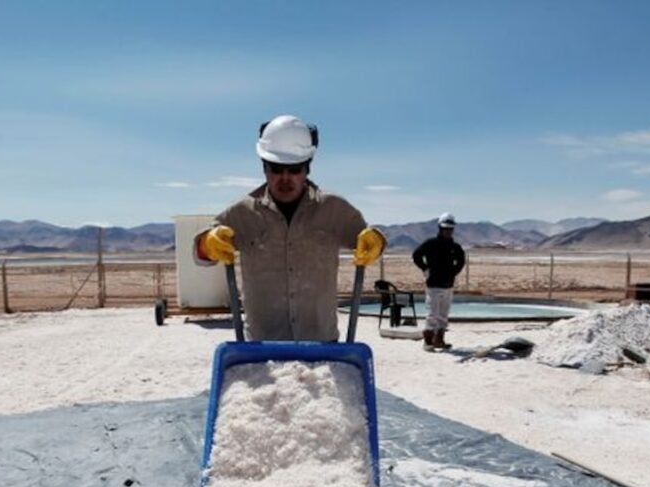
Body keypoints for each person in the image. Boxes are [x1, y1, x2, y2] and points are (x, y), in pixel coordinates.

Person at [194, 114, 386, 342]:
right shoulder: (242, 213)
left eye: (294, 169)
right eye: (276, 169)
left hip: (322, 346)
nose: (285, 178)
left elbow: (370, 241)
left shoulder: (335, 209)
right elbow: (200, 255)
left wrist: (377, 242)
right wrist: (207, 244)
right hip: (261, 349)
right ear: (264, 168)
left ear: (307, 169)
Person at [412, 213, 466, 351]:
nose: (448, 231)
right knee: (432, 314)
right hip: (434, 285)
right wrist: (425, 268)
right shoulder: (430, 244)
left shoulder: (455, 246)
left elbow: (461, 260)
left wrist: (454, 272)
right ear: (440, 228)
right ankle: (428, 342)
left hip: (448, 285)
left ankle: (439, 340)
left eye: (450, 229)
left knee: (443, 315)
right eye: (445, 229)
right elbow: (416, 255)